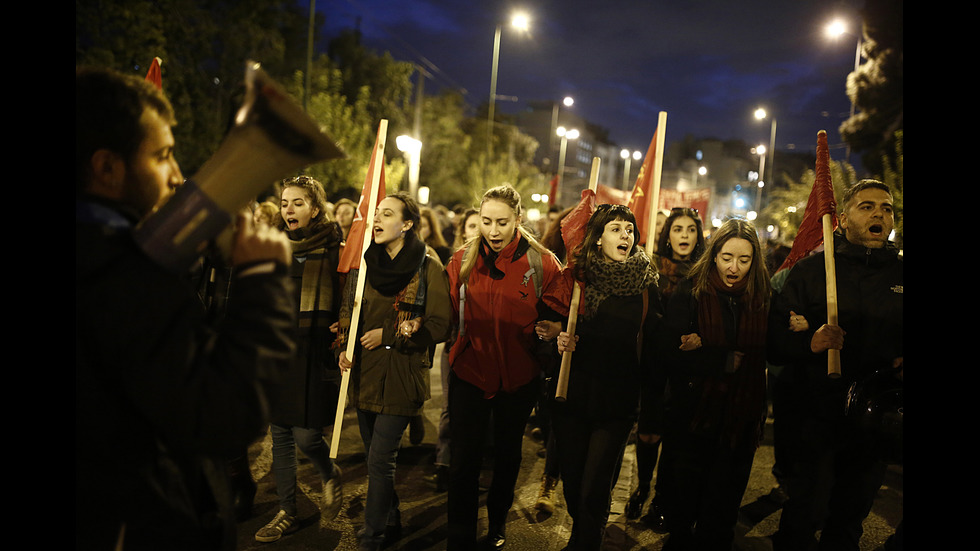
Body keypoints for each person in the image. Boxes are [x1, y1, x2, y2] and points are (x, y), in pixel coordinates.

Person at [76, 67, 295, 550]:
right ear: (108, 168)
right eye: (163, 155)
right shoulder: (120, 275)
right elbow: (223, 415)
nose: (177, 175)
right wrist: (262, 281)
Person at [768, 179, 902, 551]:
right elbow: (774, 342)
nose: (879, 213)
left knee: (849, 517)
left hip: (874, 423)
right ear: (842, 219)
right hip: (817, 418)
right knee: (806, 510)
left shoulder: (900, 275)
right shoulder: (812, 272)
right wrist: (809, 342)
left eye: (887, 208)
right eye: (867, 206)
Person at [444, 185, 566, 550]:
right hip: (469, 372)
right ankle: (459, 535)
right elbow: (445, 315)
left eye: (502, 222)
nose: (493, 231)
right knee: (463, 460)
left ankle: (497, 521)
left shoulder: (542, 263)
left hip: (519, 377)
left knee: (507, 456)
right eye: (486, 222)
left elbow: (559, 316)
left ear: (518, 220)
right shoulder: (460, 261)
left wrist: (552, 330)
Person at [336, 192, 452, 551]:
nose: (377, 219)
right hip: (366, 375)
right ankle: (391, 516)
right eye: (376, 213)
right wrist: (344, 346)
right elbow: (349, 313)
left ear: (406, 225)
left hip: (402, 375)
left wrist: (388, 335)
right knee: (375, 458)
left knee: (381, 460)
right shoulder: (365, 264)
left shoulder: (427, 266)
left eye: (387, 214)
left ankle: (373, 536)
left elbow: (440, 324)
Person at [653, 217, 772, 550]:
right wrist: (717, 359)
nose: (734, 267)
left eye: (744, 260)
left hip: (741, 418)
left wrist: (806, 335)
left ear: (754, 261)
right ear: (714, 255)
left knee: (723, 504)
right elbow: (668, 352)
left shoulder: (763, 298)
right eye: (726, 257)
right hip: (695, 416)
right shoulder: (690, 291)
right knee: (686, 497)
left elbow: (776, 348)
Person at [553, 204, 663, 550]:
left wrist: (652, 406)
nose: (625, 236)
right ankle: (584, 526)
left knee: (594, 485)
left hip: (617, 401)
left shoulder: (646, 284)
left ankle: (585, 540)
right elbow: (546, 326)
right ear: (598, 238)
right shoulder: (578, 278)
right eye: (615, 229)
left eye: (629, 229)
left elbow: (656, 348)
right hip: (574, 395)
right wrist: (558, 338)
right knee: (571, 482)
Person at [254, 175, 345, 543]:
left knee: (308, 437)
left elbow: (346, 295)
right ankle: (287, 512)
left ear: (315, 208)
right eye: (286, 202)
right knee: (280, 438)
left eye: (298, 202)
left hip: (313, 352)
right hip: (277, 351)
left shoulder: (334, 247)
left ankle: (329, 472)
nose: (289, 209)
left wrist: (344, 325)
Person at [629, 207, 708, 525]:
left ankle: (662, 500)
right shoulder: (650, 269)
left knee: (676, 437)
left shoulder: (704, 272)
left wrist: (701, 338)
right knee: (648, 434)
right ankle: (643, 486)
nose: (684, 236)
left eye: (690, 230)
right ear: (668, 234)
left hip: (685, 368)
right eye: (678, 229)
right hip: (653, 365)